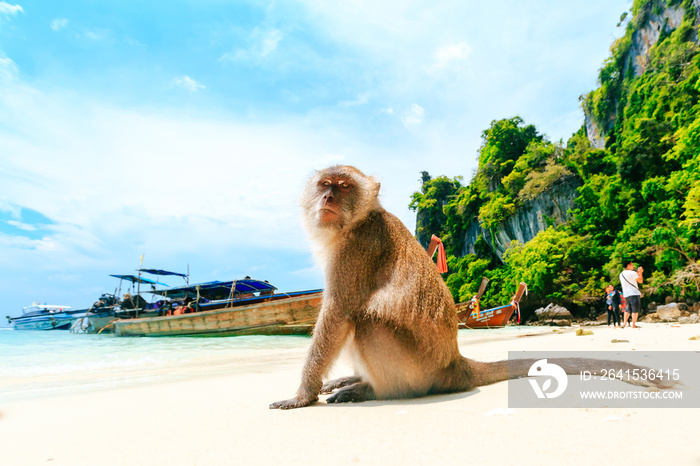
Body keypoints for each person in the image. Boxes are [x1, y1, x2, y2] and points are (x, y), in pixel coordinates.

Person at [619, 260, 643, 328]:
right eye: (632, 265)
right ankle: (633, 324)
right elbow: (640, 281)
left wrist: (637, 273)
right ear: (628, 265)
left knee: (627, 309)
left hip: (626, 294)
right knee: (635, 310)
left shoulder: (621, 274)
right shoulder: (632, 273)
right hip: (634, 293)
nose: (633, 266)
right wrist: (640, 272)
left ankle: (624, 323)